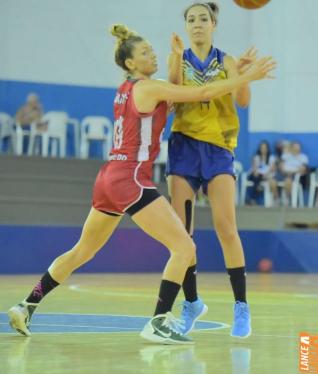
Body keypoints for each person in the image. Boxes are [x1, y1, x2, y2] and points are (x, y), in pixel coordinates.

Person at [8, 24, 275, 345]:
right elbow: (202, 93)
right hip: (131, 178)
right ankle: (159, 320)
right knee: (184, 247)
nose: (153, 55)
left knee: (82, 251)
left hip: (108, 178)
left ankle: (27, 304)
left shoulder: (127, 88)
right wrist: (246, 78)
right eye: (146, 52)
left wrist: (195, 62)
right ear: (131, 63)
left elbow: (176, 99)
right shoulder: (150, 87)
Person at [166, 2, 275, 338]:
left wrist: (242, 75)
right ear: (185, 26)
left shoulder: (227, 60)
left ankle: (242, 307)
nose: (197, 24)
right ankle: (191, 303)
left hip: (219, 149)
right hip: (184, 147)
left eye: (203, 19)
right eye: (191, 19)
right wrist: (175, 59)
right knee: (182, 234)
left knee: (226, 227)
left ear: (214, 24)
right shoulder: (178, 58)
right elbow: (172, 100)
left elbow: (243, 101)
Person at [247, 141, 277, 205]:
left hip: (266, 176)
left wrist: (265, 175)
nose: (263, 149)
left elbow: (272, 168)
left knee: (261, 179)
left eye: (265, 148)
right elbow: (255, 168)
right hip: (256, 175)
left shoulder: (271, 158)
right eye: (262, 148)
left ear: (267, 149)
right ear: (260, 149)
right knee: (256, 176)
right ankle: (255, 192)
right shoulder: (256, 157)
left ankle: (252, 199)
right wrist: (258, 173)